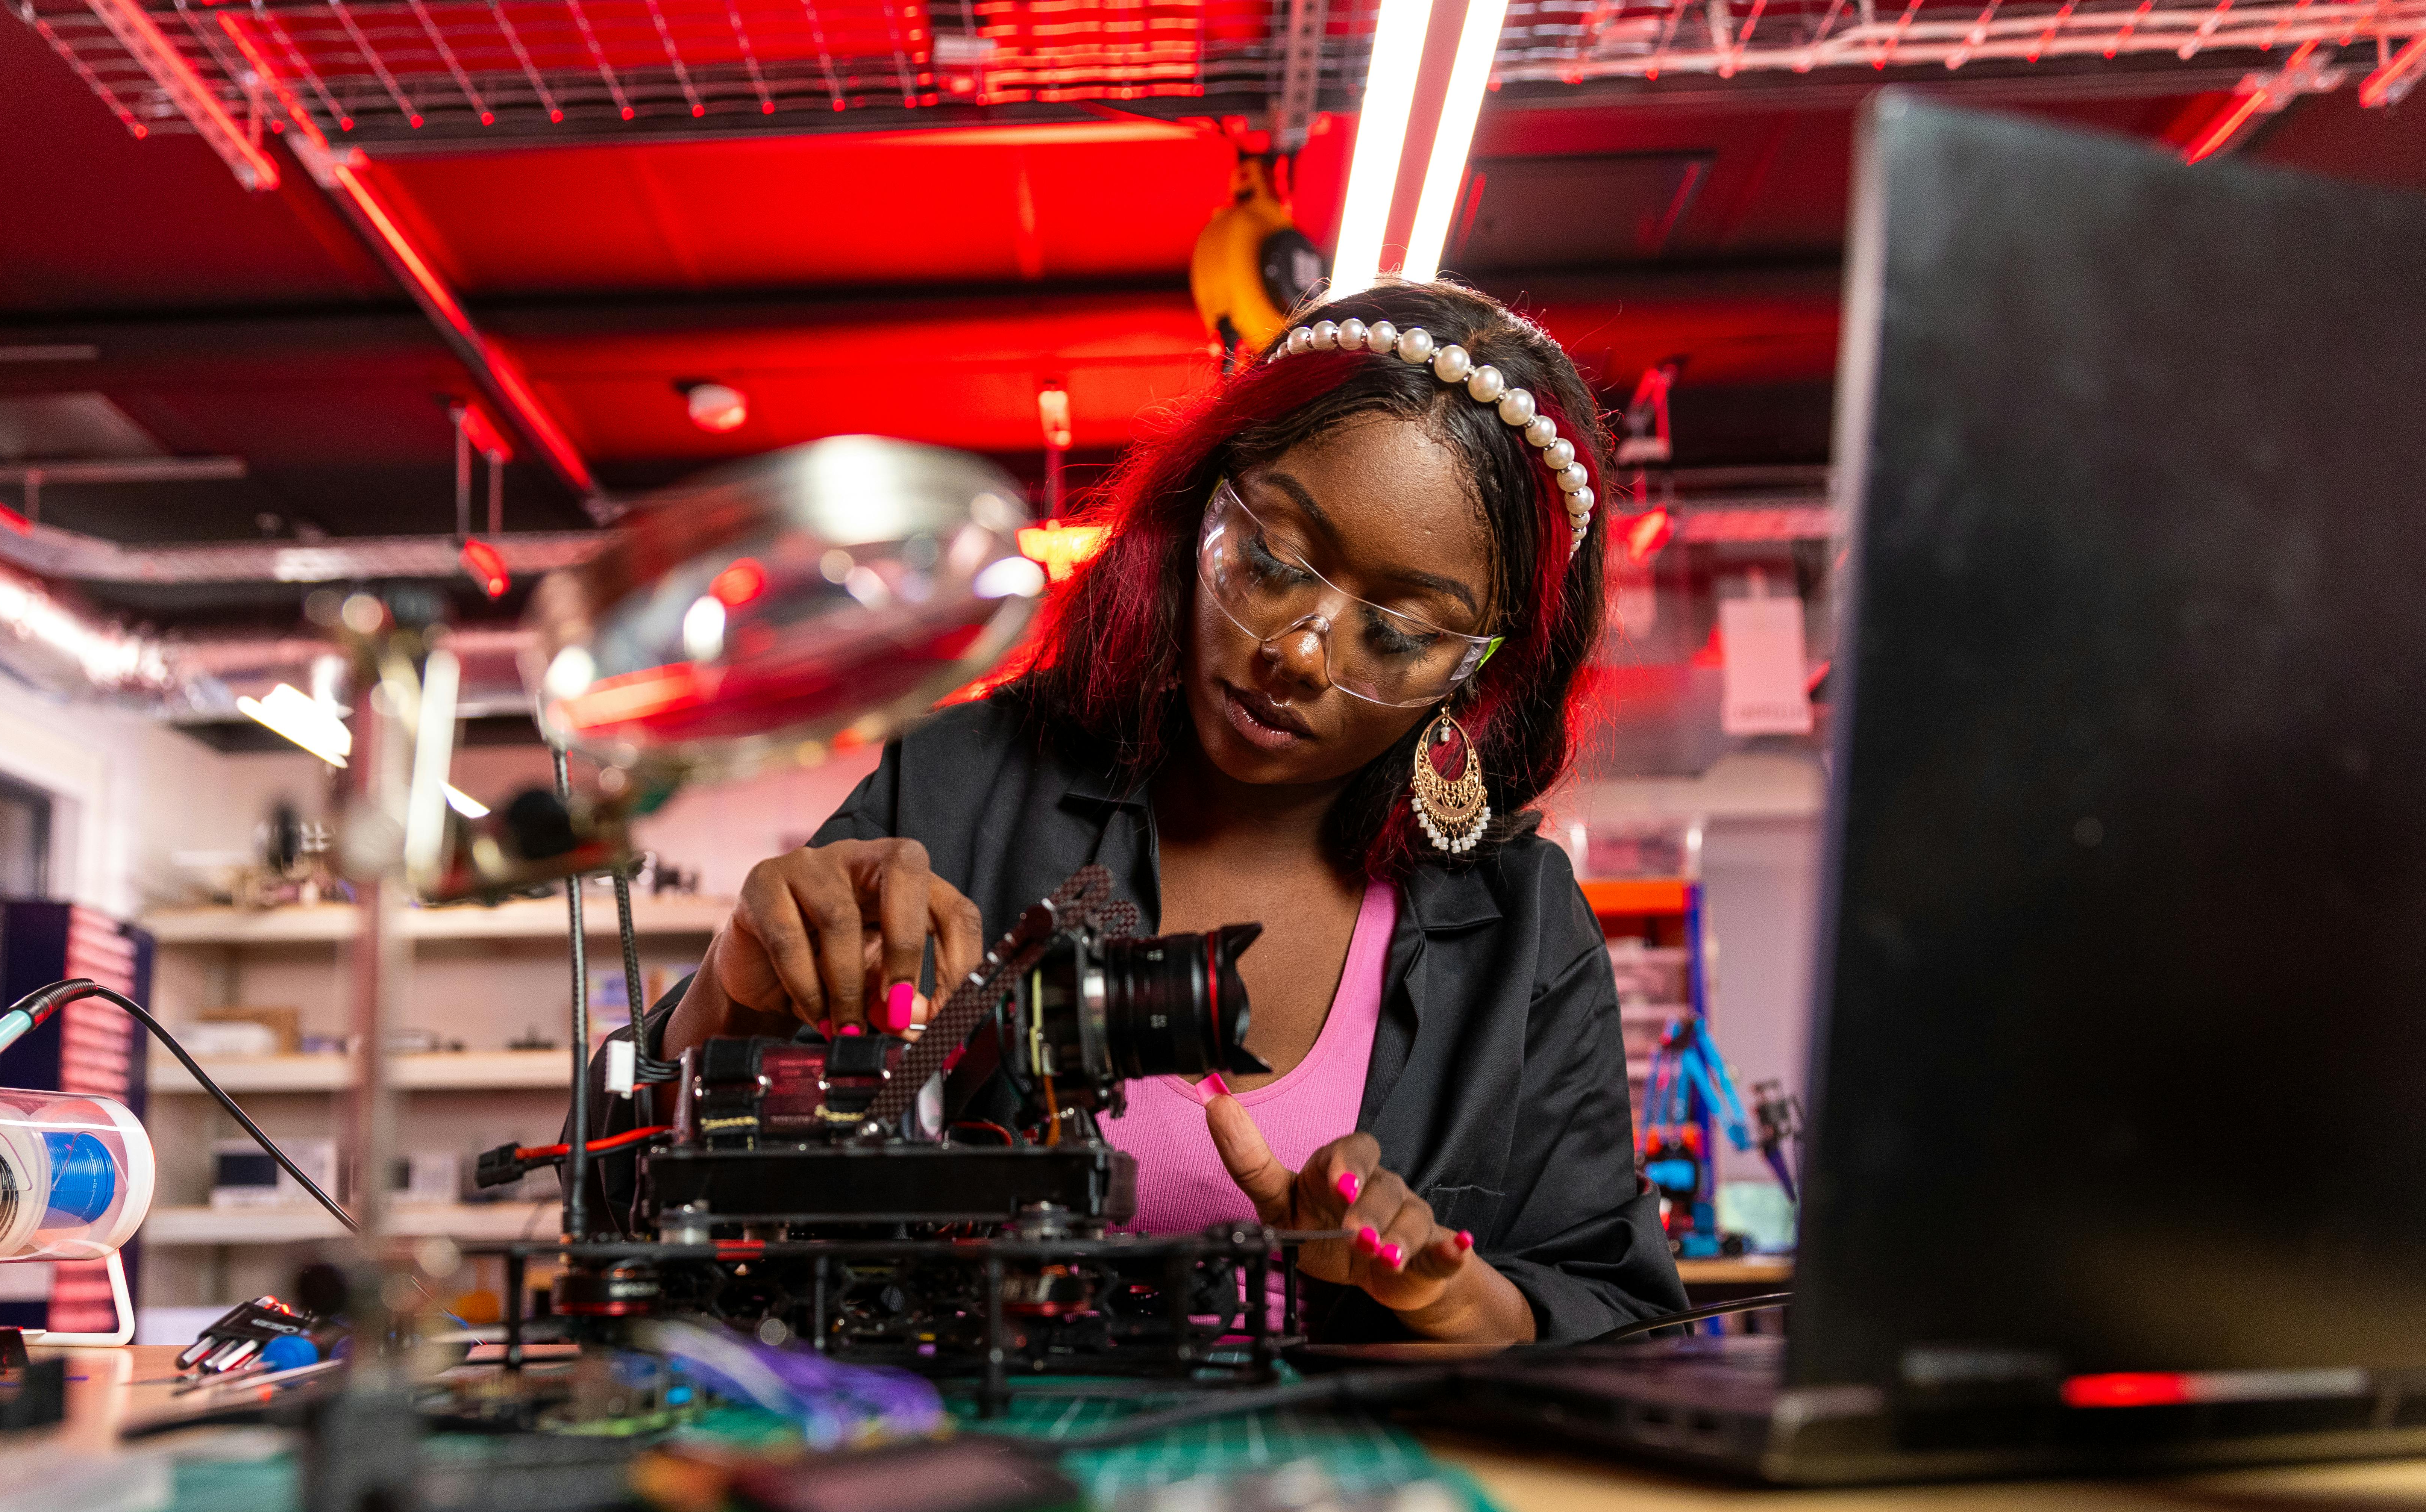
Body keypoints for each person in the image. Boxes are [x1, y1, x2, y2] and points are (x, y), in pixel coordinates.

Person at [599, 277, 1683, 1345]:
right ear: (1198, 505)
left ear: (1474, 679)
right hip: (989, 1491)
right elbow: (613, 1221)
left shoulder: (1520, 931)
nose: (1299, 652)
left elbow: (1621, 1307)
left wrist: (1450, 1299)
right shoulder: (957, 790)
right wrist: (729, 1001)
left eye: (1397, 635)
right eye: (1268, 559)